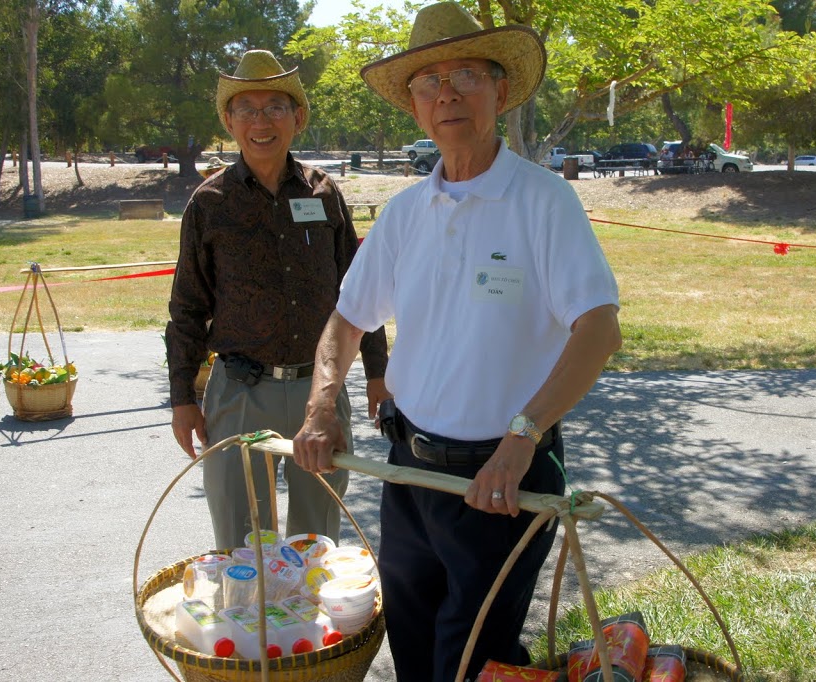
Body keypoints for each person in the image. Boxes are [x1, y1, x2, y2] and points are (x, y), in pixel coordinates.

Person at [292, 4, 621, 680]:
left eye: (466, 74)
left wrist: (521, 439)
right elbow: (347, 319)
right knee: (413, 648)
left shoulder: (543, 202)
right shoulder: (406, 212)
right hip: (409, 474)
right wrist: (321, 406)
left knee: (468, 661)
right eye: (429, 81)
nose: (447, 93)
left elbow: (599, 329)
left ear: (500, 90)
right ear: (415, 105)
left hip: (499, 482)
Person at [165, 50, 389, 550]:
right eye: (246, 108)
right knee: (243, 546)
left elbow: (358, 291)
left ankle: (310, 604)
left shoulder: (324, 193)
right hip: (240, 393)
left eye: (274, 107)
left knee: (318, 541)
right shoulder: (209, 203)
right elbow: (187, 307)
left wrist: (378, 371)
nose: (260, 121)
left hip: (320, 393)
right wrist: (182, 397)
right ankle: (249, 606)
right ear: (229, 121)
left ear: (298, 117)